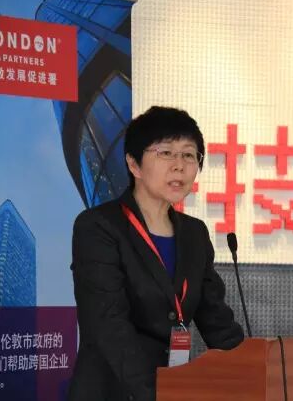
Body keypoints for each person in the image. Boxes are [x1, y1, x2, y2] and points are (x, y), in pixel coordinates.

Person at [68, 106, 244, 401]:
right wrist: (158, 394)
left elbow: (216, 320)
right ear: (134, 164)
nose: (179, 166)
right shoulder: (98, 227)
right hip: (114, 391)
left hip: (172, 388)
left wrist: (254, 371)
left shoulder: (195, 234)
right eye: (166, 153)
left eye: (189, 155)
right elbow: (109, 325)